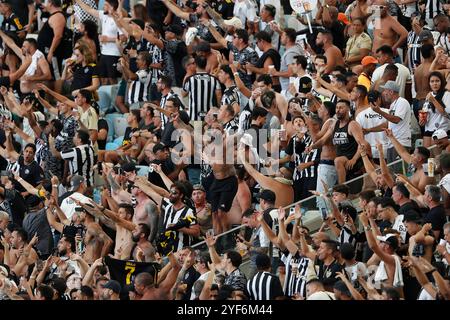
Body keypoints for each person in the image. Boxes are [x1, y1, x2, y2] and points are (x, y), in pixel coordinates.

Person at [74, 0, 124, 85]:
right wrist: (78, 1)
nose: (103, 7)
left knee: (113, 80)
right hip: (104, 53)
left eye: (105, 5)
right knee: (103, 80)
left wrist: (108, 39)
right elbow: (89, 9)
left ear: (111, 7)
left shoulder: (118, 19)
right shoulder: (103, 15)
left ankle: (115, 98)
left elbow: (124, 37)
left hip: (114, 53)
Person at [36, 0, 66, 79]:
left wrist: (51, 52)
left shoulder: (58, 16)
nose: (45, 5)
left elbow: (58, 36)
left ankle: (57, 91)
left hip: (52, 54)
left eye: (46, 2)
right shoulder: (53, 15)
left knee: (56, 76)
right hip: (46, 52)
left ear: (51, 3)